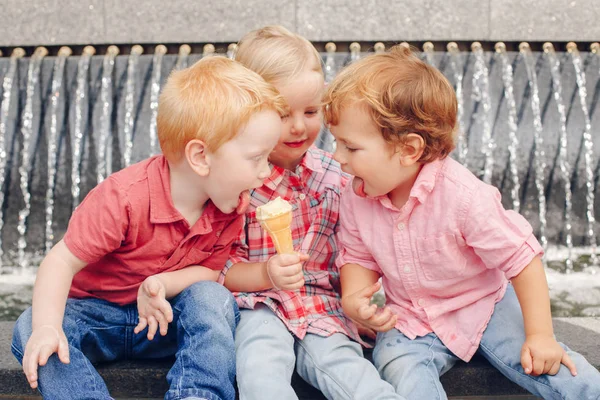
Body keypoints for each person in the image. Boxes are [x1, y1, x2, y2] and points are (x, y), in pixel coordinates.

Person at [325, 44, 600, 400]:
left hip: (485, 304)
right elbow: (358, 256)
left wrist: (541, 335)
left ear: (409, 149)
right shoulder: (356, 197)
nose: (337, 158)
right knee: (398, 367)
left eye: (351, 147)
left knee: (548, 365)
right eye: (337, 145)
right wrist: (353, 299)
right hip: (410, 318)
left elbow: (522, 260)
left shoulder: (465, 197)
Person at [11, 56, 288, 400]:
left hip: (165, 320)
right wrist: (49, 327)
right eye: (256, 158)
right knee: (30, 328)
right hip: (97, 317)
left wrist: (161, 284)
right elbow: (60, 261)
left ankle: (197, 394)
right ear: (201, 157)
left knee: (213, 299)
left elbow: (211, 272)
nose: (267, 172)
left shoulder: (230, 205)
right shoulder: (123, 198)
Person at [221, 25, 403, 400]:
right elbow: (215, 266)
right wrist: (264, 274)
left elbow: (359, 249)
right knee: (260, 372)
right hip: (258, 305)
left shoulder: (338, 173)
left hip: (324, 308)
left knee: (354, 377)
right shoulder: (234, 182)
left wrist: (359, 304)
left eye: (310, 110)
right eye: (282, 113)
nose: (299, 126)